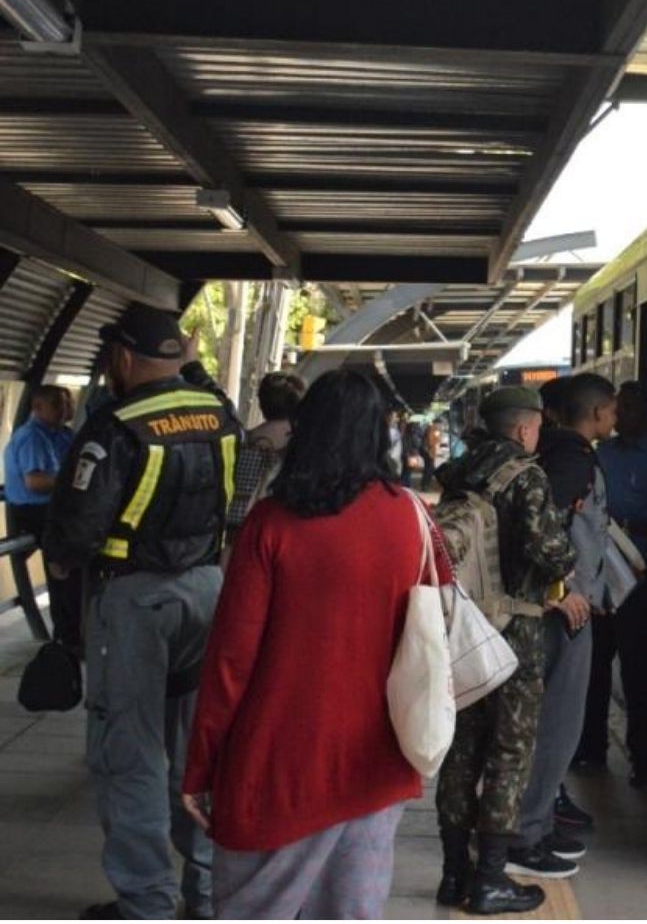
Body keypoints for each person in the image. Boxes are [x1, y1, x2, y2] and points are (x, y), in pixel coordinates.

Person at [181, 369, 451, 919]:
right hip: (377, 763)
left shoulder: (272, 524)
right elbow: (440, 603)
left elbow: (231, 662)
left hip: (279, 765)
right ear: (380, 434)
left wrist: (201, 766)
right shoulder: (411, 514)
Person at [44, 305, 243, 920]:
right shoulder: (221, 415)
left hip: (135, 602)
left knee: (128, 748)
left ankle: (147, 900)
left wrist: (61, 565)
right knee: (197, 750)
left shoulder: (116, 424)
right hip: (208, 591)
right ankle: (206, 892)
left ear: (124, 358)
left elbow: (75, 530)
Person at [434, 386, 576, 916]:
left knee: (461, 749)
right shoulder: (527, 476)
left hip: (464, 627)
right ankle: (491, 877)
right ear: (524, 429)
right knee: (510, 752)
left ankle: (454, 874)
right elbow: (550, 552)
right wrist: (569, 556)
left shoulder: (460, 470)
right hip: (515, 632)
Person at [512, 373, 617, 879]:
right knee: (556, 725)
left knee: (547, 723)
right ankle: (526, 834)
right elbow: (545, 525)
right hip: (561, 613)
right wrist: (564, 590)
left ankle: (531, 826)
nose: (614, 419)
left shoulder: (552, 452)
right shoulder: (572, 460)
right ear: (597, 414)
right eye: (612, 410)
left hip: (551, 606)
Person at [580, 381, 647, 785]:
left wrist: (626, 526)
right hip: (600, 570)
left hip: (640, 574)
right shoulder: (600, 454)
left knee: (639, 669)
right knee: (595, 662)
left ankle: (643, 753)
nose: (624, 415)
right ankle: (591, 746)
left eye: (633, 408)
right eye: (619, 408)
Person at [4, 384, 80, 651]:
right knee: (66, 562)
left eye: (67, 404)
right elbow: (35, 481)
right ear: (38, 408)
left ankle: (80, 628)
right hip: (36, 511)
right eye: (58, 405)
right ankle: (69, 635)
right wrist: (75, 479)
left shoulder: (62, 434)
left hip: (57, 507)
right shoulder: (33, 437)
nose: (66, 410)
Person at [224, 371, 304, 537]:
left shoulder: (241, 441)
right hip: (276, 528)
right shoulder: (301, 447)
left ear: (261, 403)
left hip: (232, 524)